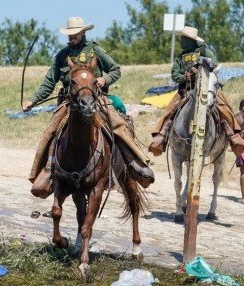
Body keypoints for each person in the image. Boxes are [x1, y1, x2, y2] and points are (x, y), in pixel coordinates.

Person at [22, 17, 154, 197]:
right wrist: (33, 100)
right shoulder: (62, 55)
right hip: (70, 103)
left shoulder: (95, 50)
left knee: (118, 125)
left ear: (84, 32)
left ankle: (135, 162)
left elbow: (115, 69)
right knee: (50, 131)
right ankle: (44, 172)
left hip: (96, 100)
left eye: (75, 33)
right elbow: (48, 83)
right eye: (70, 34)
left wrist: (104, 79)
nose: (72, 37)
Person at [148, 26, 244, 157]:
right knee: (169, 110)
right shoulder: (180, 57)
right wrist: (184, 77)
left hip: (208, 87)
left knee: (224, 107)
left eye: (183, 38)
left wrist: (198, 66)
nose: (181, 41)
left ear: (190, 40)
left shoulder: (205, 51)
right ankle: (161, 136)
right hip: (186, 90)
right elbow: (174, 73)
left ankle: (233, 135)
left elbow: (214, 64)